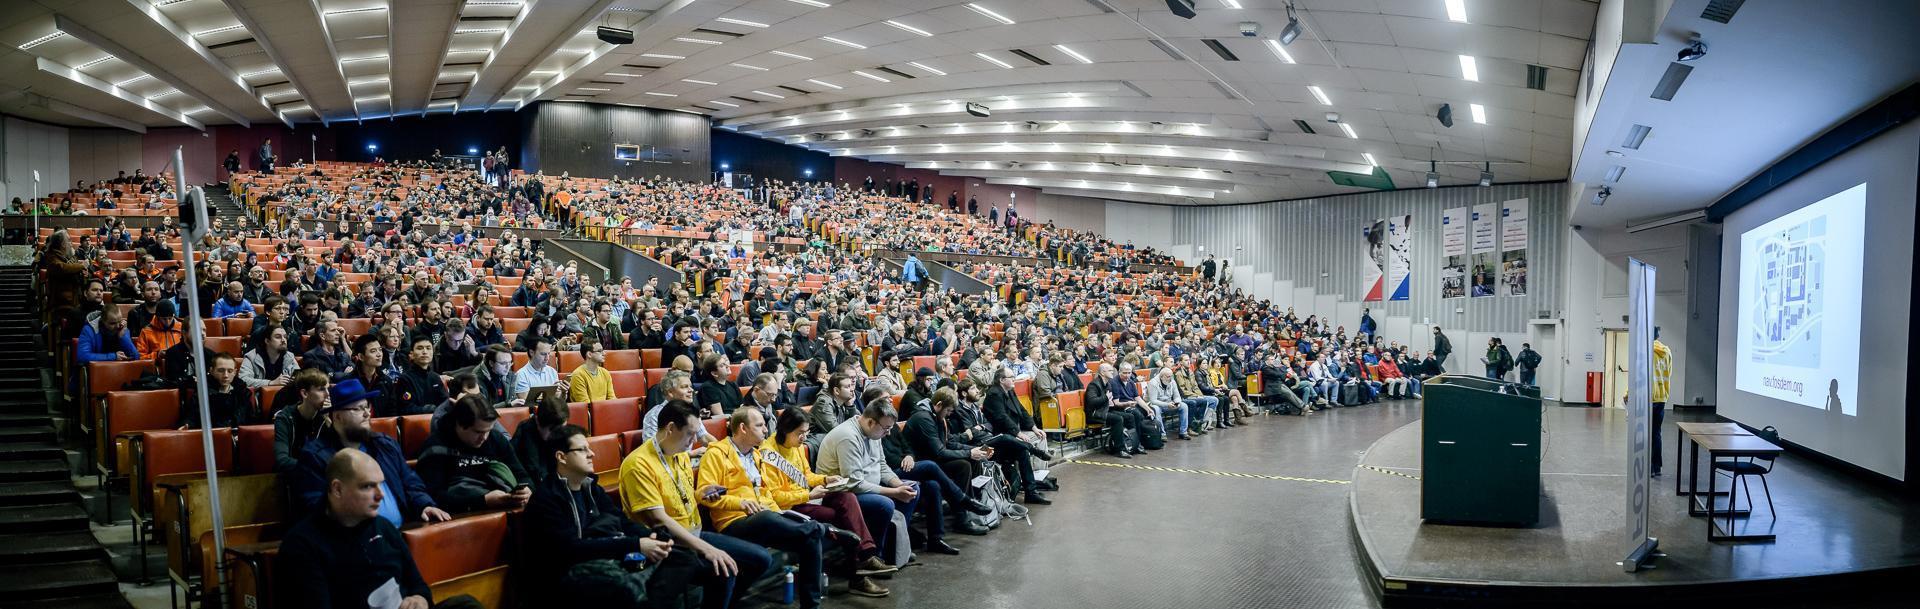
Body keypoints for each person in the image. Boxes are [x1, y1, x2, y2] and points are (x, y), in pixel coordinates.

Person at [274, 450, 481, 609]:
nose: (380, 495)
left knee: (465, 604)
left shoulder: (384, 527)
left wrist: (420, 599)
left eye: (381, 485)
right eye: (367, 486)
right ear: (337, 489)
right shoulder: (303, 545)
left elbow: (417, 584)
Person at [618, 399, 772, 609]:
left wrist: (702, 493)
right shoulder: (638, 464)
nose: (694, 442)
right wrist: (707, 549)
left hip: (693, 532)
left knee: (761, 558)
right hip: (668, 543)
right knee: (723, 568)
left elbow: (683, 494)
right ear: (671, 428)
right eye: (690, 434)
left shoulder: (679, 454)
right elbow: (658, 519)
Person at [524, 424, 690, 608]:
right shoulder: (546, 499)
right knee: (626, 589)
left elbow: (621, 521)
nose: (591, 454)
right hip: (568, 574)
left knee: (682, 559)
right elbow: (570, 549)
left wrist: (649, 537)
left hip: (606, 560)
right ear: (561, 457)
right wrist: (635, 544)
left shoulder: (591, 488)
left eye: (589, 448)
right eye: (582, 449)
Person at [694, 407, 834, 609]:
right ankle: (823, 528)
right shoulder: (716, 454)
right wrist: (739, 503)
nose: (766, 431)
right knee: (769, 518)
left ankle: (811, 606)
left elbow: (766, 493)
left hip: (763, 518)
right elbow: (705, 495)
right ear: (742, 428)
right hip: (733, 522)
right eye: (759, 426)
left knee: (809, 540)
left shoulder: (757, 455)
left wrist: (780, 513)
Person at [762, 407, 898, 591]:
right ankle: (857, 574)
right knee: (840, 517)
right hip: (789, 507)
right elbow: (775, 497)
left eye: (806, 433)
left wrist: (826, 479)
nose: (804, 438)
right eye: (800, 433)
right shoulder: (768, 453)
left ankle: (866, 554)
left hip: (806, 498)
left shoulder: (796, 446)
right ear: (785, 429)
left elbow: (806, 475)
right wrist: (809, 494)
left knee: (846, 497)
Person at [293, 378, 452, 525]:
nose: (367, 413)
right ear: (338, 416)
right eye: (358, 408)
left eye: (367, 406)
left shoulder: (385, 444)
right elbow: (316, 507)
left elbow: (410, 483)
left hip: (399, 533)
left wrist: (424, 504)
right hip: (353, 542)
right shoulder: (316, 456)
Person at [416, 396, 532, 514]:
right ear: (460, 424)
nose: (484, 437)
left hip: (503, 506)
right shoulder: (435, 447)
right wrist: (482, 501)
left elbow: (520, 473)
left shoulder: (495, 439)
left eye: (488, 431)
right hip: (459, 515)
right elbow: (433, 496)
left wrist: (527, 490)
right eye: (478, 432)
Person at [274, 368, 331, 473]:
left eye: (328, 389)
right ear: (304, 393)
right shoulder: (285, 418)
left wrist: (329, 422)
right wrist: (318, 466)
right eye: (321, 389)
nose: (327, 394)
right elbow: (282, 461)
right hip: (294, 478)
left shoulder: (326, 417)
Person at [180, 352, 256, 429]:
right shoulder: (202, 392)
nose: (226, 375)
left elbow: (250, 420)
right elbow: (192, 417)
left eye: (230, 371)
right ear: (212, 371)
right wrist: (187, 425)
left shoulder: (242, 392)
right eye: (221, 370)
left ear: (235, 372)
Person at [1083, 362, 1141, 457]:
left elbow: (1109, 401)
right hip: (1095, 414)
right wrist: (1106, 398)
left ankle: (1134, 444)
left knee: (1129, 416)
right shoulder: (1094, 385)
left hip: (1105, 410)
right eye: (1110, 371)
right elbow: (1092, 402)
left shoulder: (1108, 384)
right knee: (1117, 419)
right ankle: (1120, 449)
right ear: (1102, 372)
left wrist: (1117, 404)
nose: (1112, 372)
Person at [391, 336, 449, 416]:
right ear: (411, 354)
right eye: (420, 348)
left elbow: (445, 402)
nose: (425, 352)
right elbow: (405, 408)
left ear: (433, 352)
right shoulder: (405, 379)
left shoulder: (435, 377)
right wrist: (428, 409)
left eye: (428, 348)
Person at [1650, 329, 1672, 477]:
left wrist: (1628, 393)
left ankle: (1649, 467)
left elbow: (1642, 374)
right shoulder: (1667, 352)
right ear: (1658, 336)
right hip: (1662, 397)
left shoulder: (1647, 351)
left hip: (1649, 398)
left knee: (1645, 434)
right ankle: (1657, 467)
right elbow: (1668, 373)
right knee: (1656, 433)